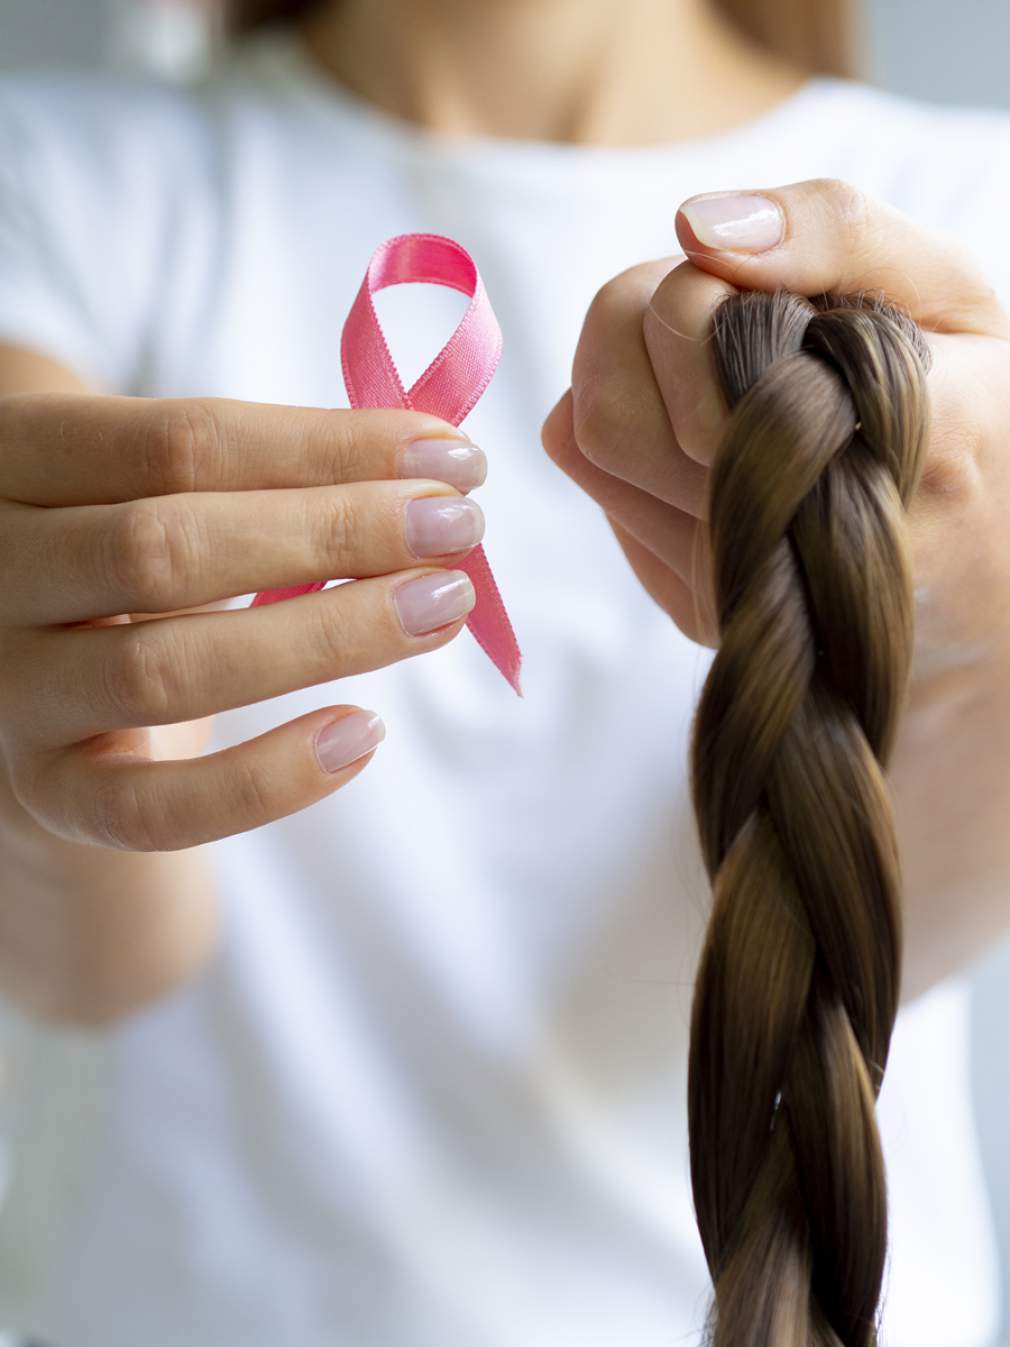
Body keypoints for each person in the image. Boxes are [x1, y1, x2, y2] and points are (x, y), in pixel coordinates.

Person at [0, 1, 1009, 1343]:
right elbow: (101, 964)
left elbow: (889, 934)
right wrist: (55, 756)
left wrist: (976, 643)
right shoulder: (55, 180)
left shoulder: (968, 210)